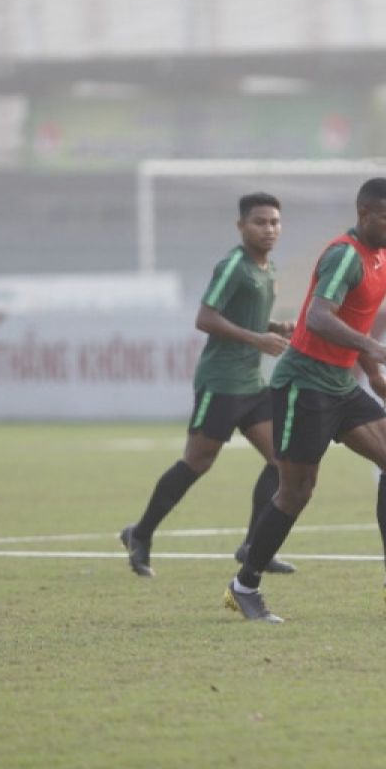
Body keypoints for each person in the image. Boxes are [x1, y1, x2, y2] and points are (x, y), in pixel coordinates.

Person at [224, 177, 386, 623]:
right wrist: (372, 350)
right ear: (364, 214)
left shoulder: (385, 257)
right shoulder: (343, 255)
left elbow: (355, 319)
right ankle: (244, 586)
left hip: (341, 384)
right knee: (295, 492)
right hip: (304, 384)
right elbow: (319, 316)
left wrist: (372, 374)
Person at [119, 192, 297, 577]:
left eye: (275, 222)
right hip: (221, 382)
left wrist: (274, 327)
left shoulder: (268, 268)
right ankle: (141, 533)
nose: (269, 229)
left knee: (282, 462)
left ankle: (253, 549)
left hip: (251, 382)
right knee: (197, 462)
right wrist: (258, 340)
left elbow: (243, 315)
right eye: (260, 222)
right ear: (241, 226)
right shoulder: (233, 266)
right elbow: (205, 318)